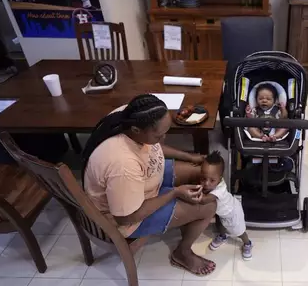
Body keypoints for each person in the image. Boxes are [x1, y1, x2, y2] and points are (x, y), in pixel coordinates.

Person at [82, 94, 216, 276]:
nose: (163, 138)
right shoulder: (123, 165)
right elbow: (126, 218)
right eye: (159, 135)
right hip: (127, 217)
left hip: (144, 182)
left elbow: (154, 147)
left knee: (200, 172)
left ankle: (186, 218)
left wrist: (189, 156)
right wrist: (174, 193)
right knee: (209, 206)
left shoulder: (128, 114)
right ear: (137, 130)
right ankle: (182, 253)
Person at [199, 151, 253, 260]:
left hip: (233, 212)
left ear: (220, 178)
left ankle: (247, 243)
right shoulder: (214, 183)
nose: (206, 183)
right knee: (222, 225)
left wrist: (194, 192)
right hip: (223, 212)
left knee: (239, 231)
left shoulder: (219, 190)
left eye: (212, 180)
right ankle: (222, 237)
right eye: (203, 178)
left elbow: (204, 200)